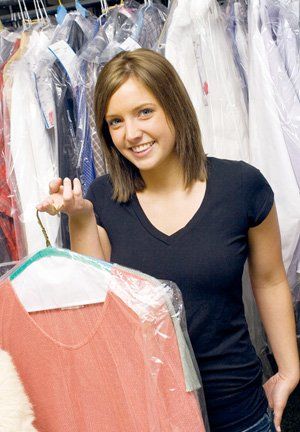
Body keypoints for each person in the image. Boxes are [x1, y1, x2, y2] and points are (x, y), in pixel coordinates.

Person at [37, 49, 299, 432]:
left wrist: (289, 369)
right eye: (115, 121)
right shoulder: (104, 197)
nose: (131, 134)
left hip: (240, 412)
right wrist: (81, 217)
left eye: (145, 112)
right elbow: (98, 305)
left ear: (174, 106)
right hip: (151, 415)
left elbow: (271, 279)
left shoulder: (242, 186)